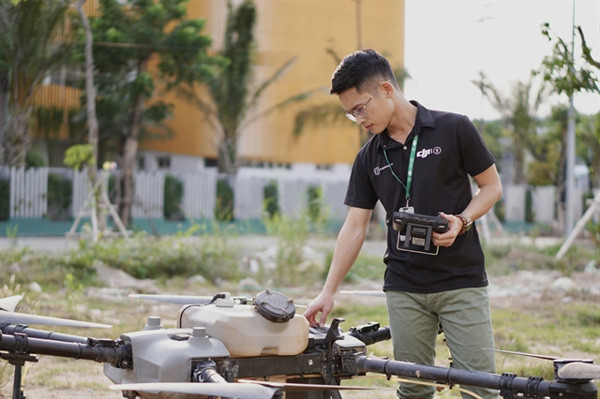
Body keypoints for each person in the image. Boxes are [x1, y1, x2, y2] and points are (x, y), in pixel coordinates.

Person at [303, 49, 503, 399]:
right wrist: (328, 290)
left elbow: (492, 186)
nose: (359, 119)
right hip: (404, 285)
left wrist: (462, 220)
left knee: (481, 388)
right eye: (350, 114)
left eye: (360, 108)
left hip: (461, 280)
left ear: (385, 89)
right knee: (413, 389)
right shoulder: (368, 157)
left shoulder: (454, 128)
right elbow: (354, 226)